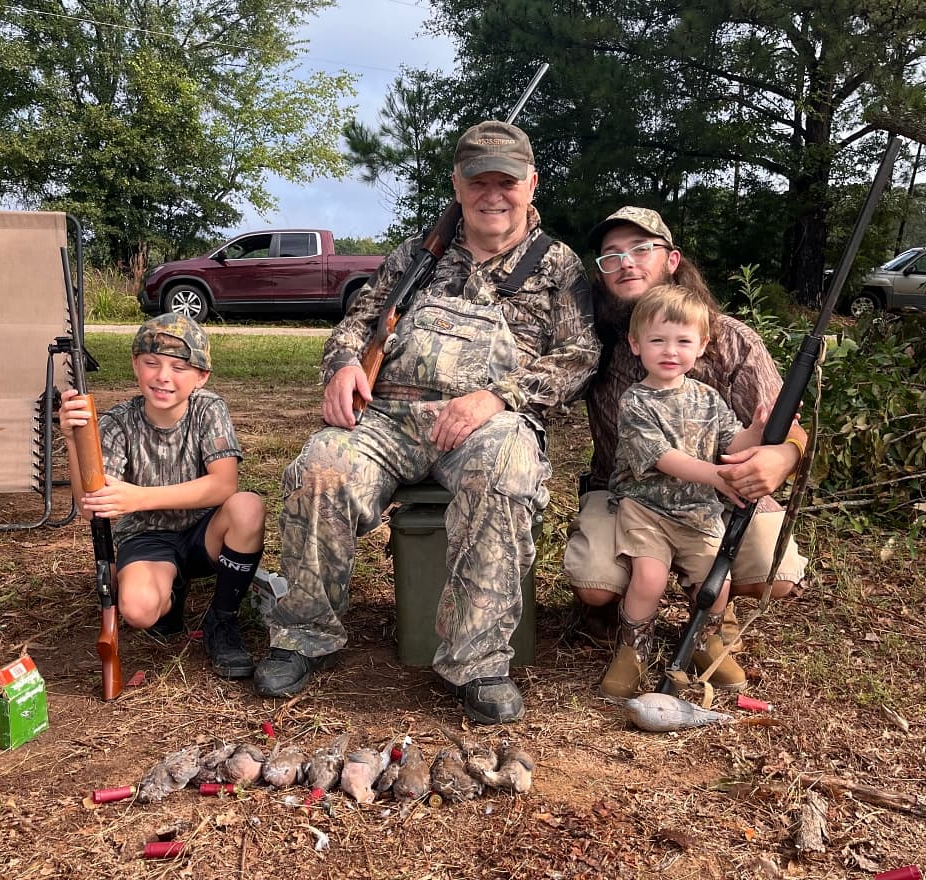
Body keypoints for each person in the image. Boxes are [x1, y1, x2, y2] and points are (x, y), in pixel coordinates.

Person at [251, 120, 599, 724]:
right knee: (319, 470)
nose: (494, 194)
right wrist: (341, 367)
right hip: (386, 418)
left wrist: (498, 397)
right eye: (479, 181)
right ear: (457, 186)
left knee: (506, 468)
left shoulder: (559, 266)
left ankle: (479, 661)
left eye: (507, 182)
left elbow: (580, 357)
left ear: (532, 184)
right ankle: (304, 636)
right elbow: (358, 322)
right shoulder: (417, 254)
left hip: (487, 423)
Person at [564, 206, 808, 650]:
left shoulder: (731, 338)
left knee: (777, 576)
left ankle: (714, 607)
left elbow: (787, 428)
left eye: (641, 249)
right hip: (628, 496)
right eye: (611, 256)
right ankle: (624, 616)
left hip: (718, 498)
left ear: (672, 261)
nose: (626, 263)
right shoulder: (590, 341)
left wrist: (782, 454)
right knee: (595, 582)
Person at [58, 313, 266, 681]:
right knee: (139, 612)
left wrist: (138, 497)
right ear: (135, 366)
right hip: (148, 538)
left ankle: (223, 619)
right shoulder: (118, 422)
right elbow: (90, 506)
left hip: (205, 532)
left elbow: (224, 486)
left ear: (201, 377)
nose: (163, 377)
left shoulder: (209, 409)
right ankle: (170, 594)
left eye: (178, 367)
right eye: (151, 363)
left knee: (248, 507)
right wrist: (75, 441)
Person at [599, 283, 768, 697]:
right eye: (658, 340)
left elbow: (733, 443)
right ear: (636, 345)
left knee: (717, 583)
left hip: (698, 512)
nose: (670, 351)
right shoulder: (635, 401)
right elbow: (661, 457)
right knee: (649, 579)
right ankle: (632, 652)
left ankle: (704, 644)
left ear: (702, 345)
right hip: (646, 509)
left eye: (682, 341)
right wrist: (716, 476)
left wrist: (760, 431)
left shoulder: (709, 399)